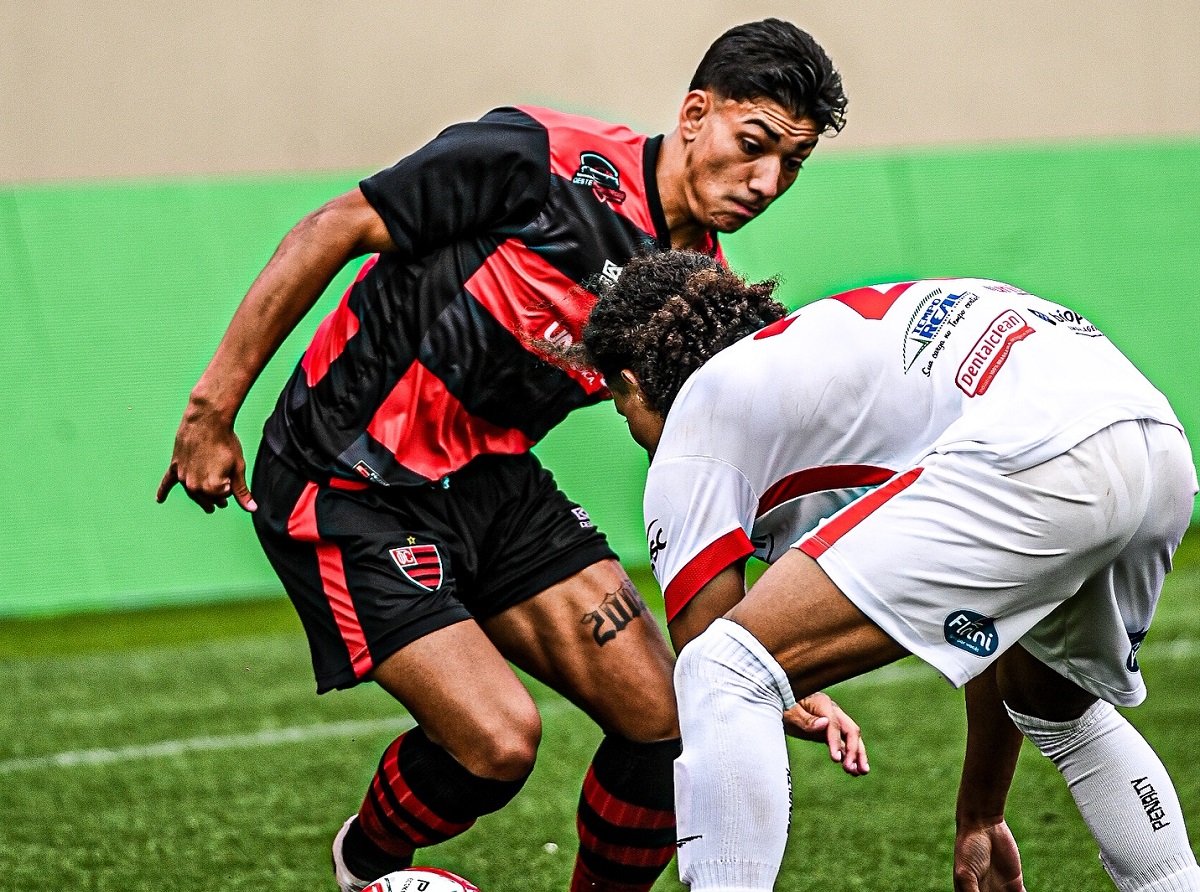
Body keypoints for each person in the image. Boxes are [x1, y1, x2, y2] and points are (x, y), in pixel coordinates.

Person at [156, 19, 853, 892]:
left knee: (669, 724)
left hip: (493, 479)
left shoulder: (692, 288)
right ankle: (364, 866)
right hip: (347, 471)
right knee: (496, 743)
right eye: (753, 146)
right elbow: (333, 226)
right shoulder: (540, 157)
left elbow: (696, 463)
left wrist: (757, 651)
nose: (765, 182)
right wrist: (211, 411)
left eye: (790, 165)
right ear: (694, 113)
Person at [575, 251, 1200, 892]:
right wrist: (980, 814)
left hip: (1037, 450)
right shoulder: (826, 363)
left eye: (621, 408)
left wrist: (778, 683)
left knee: (721, 670)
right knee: (1059, 711)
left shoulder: (698, 414)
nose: (632, 429)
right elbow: (993, 611)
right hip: (1155, 444)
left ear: (631, 382)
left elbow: (710, 654)